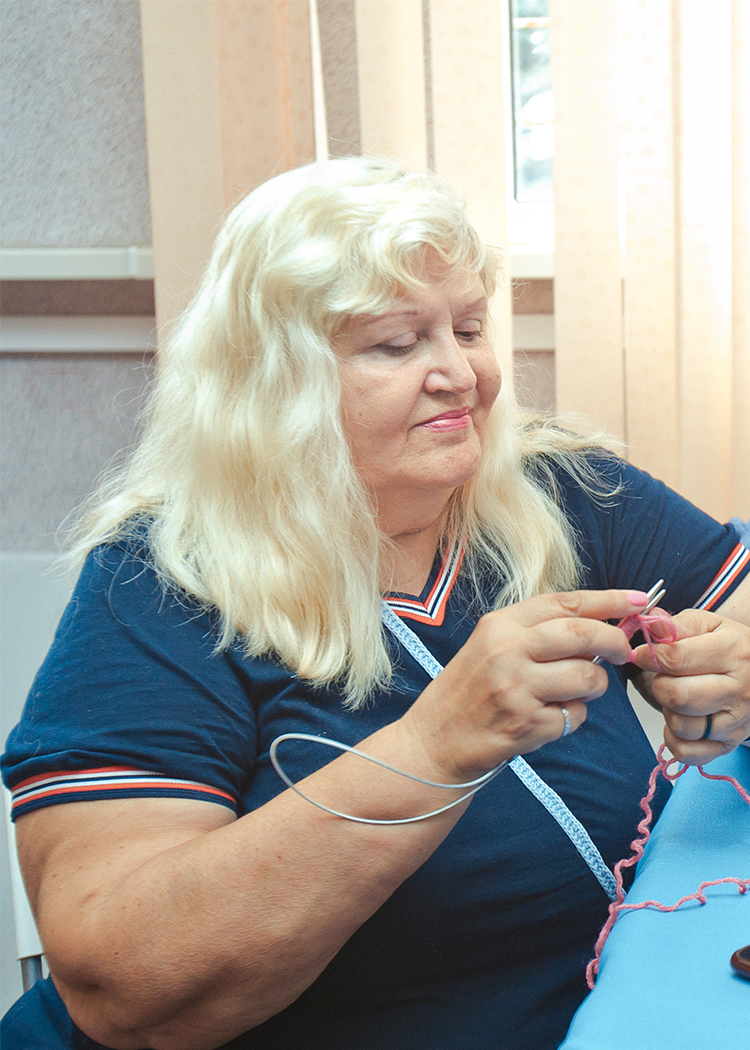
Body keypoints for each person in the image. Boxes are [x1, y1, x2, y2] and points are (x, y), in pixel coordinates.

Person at [2, 157, 750, 1050]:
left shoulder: (558, 487)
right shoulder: (160, 586)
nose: (460, 375)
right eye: (397, 344)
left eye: (468, 329)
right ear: (275, 377)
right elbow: (120, 987)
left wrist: (730, 666)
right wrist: (433, 749)